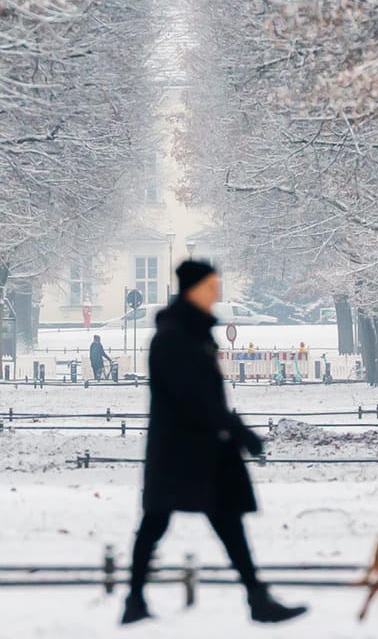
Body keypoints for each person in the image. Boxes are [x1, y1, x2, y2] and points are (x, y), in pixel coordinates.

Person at [122, 260, 306, 626]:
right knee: (159, 522)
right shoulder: (176, 336)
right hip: (183, 450)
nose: (216, 293)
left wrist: (233, 429)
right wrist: (237, 431)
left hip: (199, 447)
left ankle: (255, 598)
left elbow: (202, 397)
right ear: (192, 289)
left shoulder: (191, 332)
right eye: (210, 286)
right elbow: (193, 397)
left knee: (221, 522)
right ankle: (135, 600)